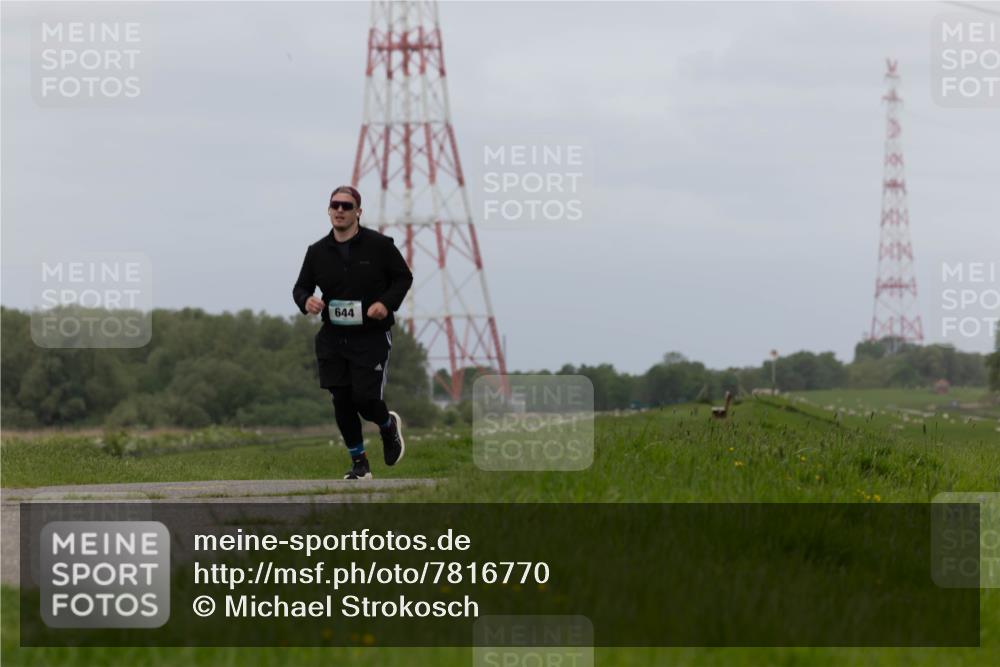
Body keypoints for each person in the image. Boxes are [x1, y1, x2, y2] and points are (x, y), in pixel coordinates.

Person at [293, 185, 413, 479]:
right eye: (335, 205)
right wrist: (305, 301)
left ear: (358, 212)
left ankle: (387, 426)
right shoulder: (317, 252)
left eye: (347, 206)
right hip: (334, 338)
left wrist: (385, 303)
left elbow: (403, 277)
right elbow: (301, 287)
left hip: (371, 336)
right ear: (329, 210)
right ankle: (360, 464)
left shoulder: (380, 246)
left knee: (364, 399)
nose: (340, 211)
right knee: (341, 400)